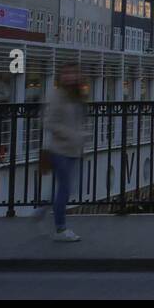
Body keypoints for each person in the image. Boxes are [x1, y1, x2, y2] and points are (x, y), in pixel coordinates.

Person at [40, 63, 89, 242]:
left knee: (68, 187)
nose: (69, 77)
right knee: (65, 187)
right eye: (66, 73)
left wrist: (81, 134)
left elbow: (78, 120)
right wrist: (72, 135)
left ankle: (43, 208)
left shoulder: (76, 95)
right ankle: (60, 229)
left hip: (73, 149)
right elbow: (49, 122)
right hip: (59, 149)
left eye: (72, 73)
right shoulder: (57, 96)